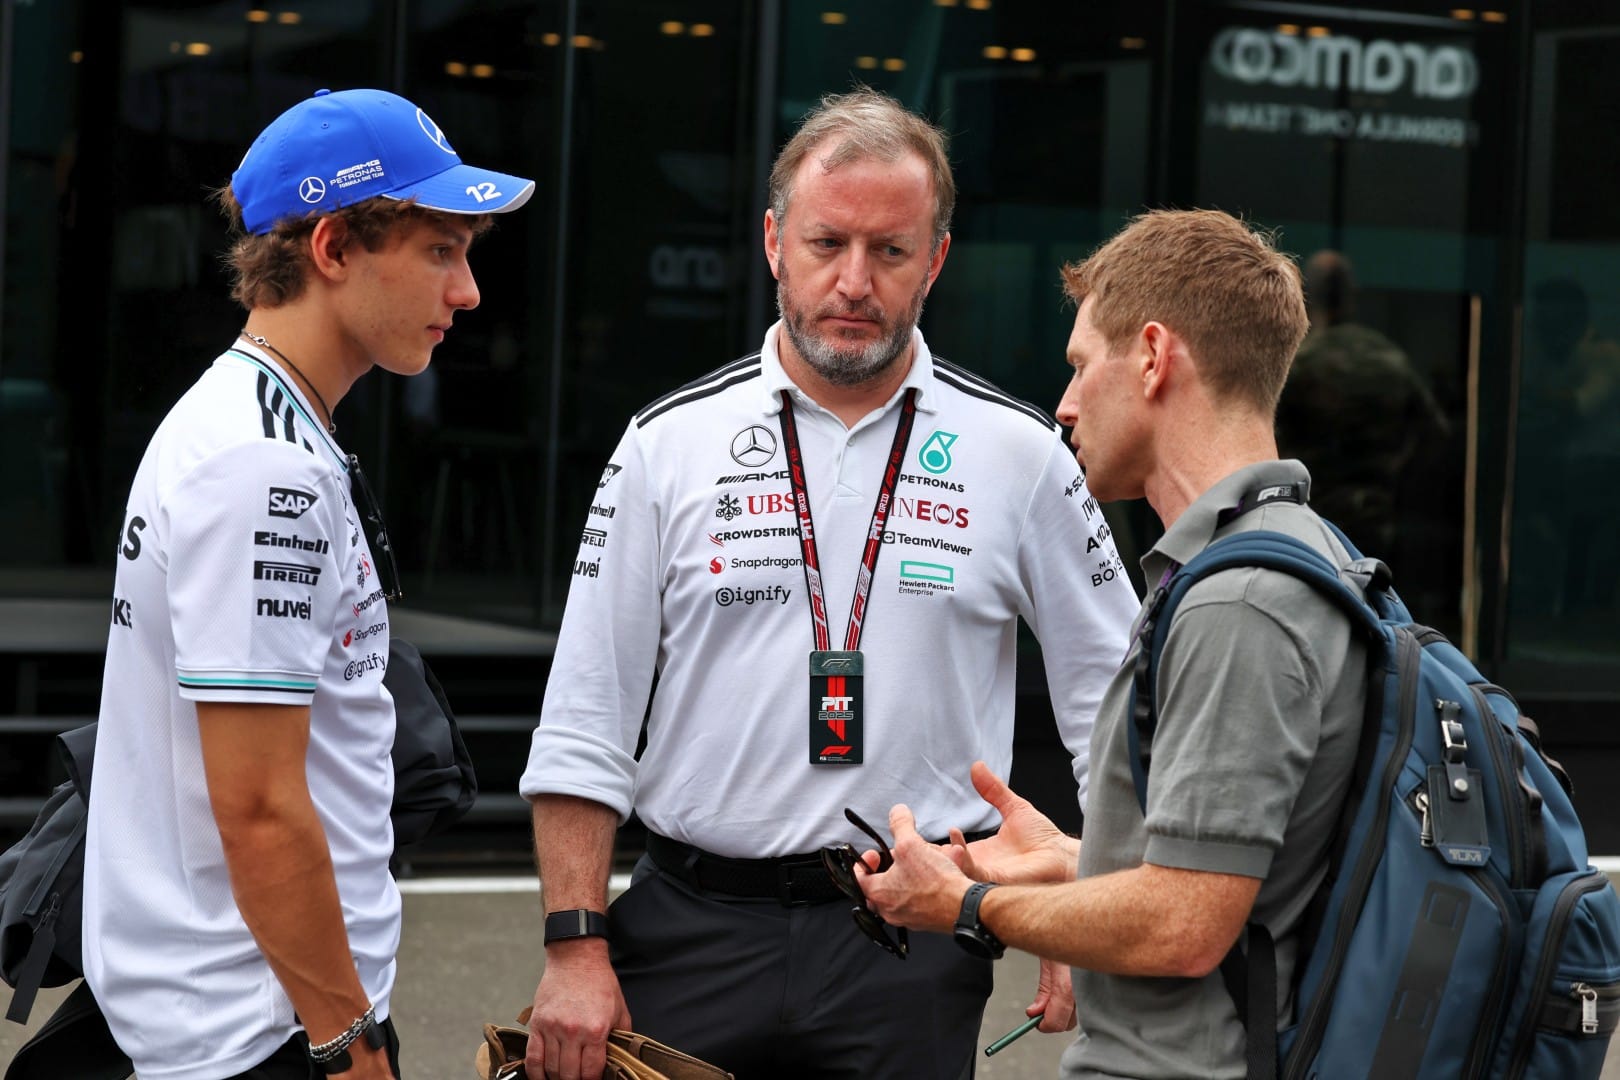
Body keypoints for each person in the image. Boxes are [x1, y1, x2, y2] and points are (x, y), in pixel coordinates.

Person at [518, 87, 1138, 1080]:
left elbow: (1115, 707)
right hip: (689, 934)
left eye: (890, 251)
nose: (854, 281)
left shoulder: (1020, 455)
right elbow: (585, 722)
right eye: (826, 244)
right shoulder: (666, 446)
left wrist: (1079, 908)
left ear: (933, 261)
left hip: (915, 939)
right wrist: (575, 946)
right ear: (774, 243)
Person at [81, 88, 532, 1079]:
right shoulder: (263, 463)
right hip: (260, 1033)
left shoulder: (263, 425)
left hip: (253, 1014)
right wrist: (348, 1041)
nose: (467, 293)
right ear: (332, 249)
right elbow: (258, 806)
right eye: (440, 251)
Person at [857, 208, 1368, 1079]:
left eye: (1081, 367)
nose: (1063, 405)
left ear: (1155, 358)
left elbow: (1183, 926)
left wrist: (969, 904)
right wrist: (1069, 861)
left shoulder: (1240, 603)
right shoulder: (1298, 558)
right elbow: (1233, 877)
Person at [1273, 249, 1449, 554]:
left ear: (1305, 297)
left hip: (1308, 518)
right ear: (1352, 297)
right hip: (1375, 516)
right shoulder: (1387, 358)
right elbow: (1435, 433)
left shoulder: (1297, 364)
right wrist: (1395, 467)